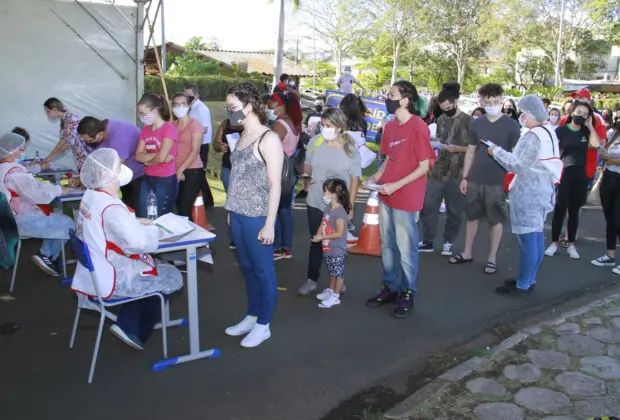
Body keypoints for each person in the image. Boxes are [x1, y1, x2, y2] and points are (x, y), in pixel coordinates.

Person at [71, 148, 183, 350]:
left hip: (93, 270)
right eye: (117, 167)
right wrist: (155, 232)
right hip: (112, 272)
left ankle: (130, 321)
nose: (123, 169)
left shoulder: (92, 195)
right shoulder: (111, 207)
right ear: (106, 175)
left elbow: (108, 226)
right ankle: (131, 327)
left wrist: (135, 222)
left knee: (151, 274)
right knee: (171, 275)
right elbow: (138, 243)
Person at [364, 81, 435, 319]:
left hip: (406, 195)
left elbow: (424, 166)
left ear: (405, 100)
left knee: (406, 248)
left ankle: (407, 292)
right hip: (386, 193)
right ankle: (389, 288)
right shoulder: (391, 126)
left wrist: (396, 184)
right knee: (387, 244)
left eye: (392, 95)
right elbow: (389, 158)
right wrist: (376, 176)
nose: (387, 98)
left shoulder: (418, 126)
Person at [223, 82, 284, 348]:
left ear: (249, 107)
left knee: (263, 271)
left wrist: (269, 224)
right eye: (228, 108)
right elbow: (237, 178)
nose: (229, 112)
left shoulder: (268, 139)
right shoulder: (240, 136)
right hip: (237, 214)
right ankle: (252, 315)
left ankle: (264, 325)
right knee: (248, 270)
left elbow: (275, 184)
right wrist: (230, 208)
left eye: (233, 107)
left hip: (257, 216)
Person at [488, 95, 562, 296]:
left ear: (531, 113)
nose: (522, 117)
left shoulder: (533, 136)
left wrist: (496, 152)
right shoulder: (548, 131)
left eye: (524, 113)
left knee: (529, 238)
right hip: (543, 188)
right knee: (536, 235)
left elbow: (517, 164)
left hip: (529, 190)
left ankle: (523, 283)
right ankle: (529, 278)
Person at [450, 84, 520, 275]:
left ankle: (492, 258)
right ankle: (467, 252)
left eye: (495, 101)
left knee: (495, 219)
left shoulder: (512, 125)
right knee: (471, 216)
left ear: (501, 99)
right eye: (487, 102)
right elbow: (471, 151)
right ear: (481, 100)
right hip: (475, 178)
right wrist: (465, 177)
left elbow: (515, 157)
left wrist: (512, 180)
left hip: (498, 180)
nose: (491, 105)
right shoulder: (477, 123)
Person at [297, 108, 361, 297]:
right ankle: (312, 279)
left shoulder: (350, 150)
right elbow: (307, 164)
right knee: (316, 241)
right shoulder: (316, 142)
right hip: (316, 201)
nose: (324, 129)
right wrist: (306, 177)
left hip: (337, 207)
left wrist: (350, 206)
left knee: (337, 244)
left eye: (328, 126)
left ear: (339, 127)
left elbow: (355, 179)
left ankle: (337, 278)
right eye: (323, 125)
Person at [0, 132, 75, 276]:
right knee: (68, 223)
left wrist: (56, 188)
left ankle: (49, 255)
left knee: (57, 219)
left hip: (8, 219)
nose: (23, 153)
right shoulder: (14, 170)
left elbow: (32, 185)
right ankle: (45, 254)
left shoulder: (3, 168)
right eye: (21, 150)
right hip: (21, 220)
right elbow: (35, 196)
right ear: (11, 151)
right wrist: (60, 190)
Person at [546, 101, 604, 259]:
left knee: (574, 211)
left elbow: (597, 144)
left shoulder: (586, 131)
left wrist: (591, 126)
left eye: (585, 114)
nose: (581, 116)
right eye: (579, 112)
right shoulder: (561, 130)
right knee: (560, 210)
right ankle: (553, 243)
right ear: (572, 112)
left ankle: (571, 244)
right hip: (564, 173)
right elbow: (552, 151)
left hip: (580, 174)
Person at [419, 82, 471, 256]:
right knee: (428, 205)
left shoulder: (469, 121)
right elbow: (439, 140)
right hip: (439, 169)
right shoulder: (440, 120)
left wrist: (458, 149)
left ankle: (449, 241)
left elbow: (474, 148)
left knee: (455, 210)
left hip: (459, 171)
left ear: (455, 102)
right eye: (443, 108)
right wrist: (437, 144)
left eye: (448, 107)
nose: (446, 111)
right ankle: (428, 240)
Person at [77, 117, 143, 210]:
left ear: (99, 134)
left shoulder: (120, 135)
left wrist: (94, 184)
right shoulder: (98, 134)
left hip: (134, 175)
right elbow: (97, 161)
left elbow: (116, 168)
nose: (87, 143)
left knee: (131, 208)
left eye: (89, 141)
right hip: (117, 174)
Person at [267, 92, 302, 260]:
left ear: (281, 107)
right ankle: (285, 247)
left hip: (278, 171)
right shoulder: (292, 123)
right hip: (289, 172)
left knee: (274, 210)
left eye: (271, 106)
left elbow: (270, 147)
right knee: (285, 210)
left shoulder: (279, 124)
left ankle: (275, 246)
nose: (268, 109)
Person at [134, 93, 179, 218]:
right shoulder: (145, 130)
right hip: (148, 177)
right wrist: (158, 156)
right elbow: (138, 156)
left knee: (160, 217)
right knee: (144, 214)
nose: (141, 117)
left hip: (165, 179)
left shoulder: (168, 129)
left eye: (143, 113)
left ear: (155, 110)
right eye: (140, 114)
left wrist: (148, 160)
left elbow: (161, 158)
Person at [311, 178, 350, 308]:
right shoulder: (329, 208)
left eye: (326, 192)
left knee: (338, 273)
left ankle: (336, 296)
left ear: (335, 194)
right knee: (332, 271)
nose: (324, 195)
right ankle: (330, 290)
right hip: (328, 247)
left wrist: (323, 237)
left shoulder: (339, 213)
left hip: (336, 248)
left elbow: (339, 233)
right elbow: (323, 223)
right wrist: (318, 233)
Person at [591, 117, 620, 273]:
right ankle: (610, 256)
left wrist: (613, 160)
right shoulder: (614, 135)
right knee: (610, 219)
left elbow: (613, 159)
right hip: (609, 178)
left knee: (617, 219)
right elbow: (601, 148)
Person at [170, 93, 205, 219]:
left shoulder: (195, 125)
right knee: (177, 205)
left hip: (192, 169)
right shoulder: (172, 125)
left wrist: (181, 169)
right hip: (174, 169)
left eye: (183, 104)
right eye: (176, 104)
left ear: (189, 105)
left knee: (185, 208)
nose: (179, 107)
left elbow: (195, 151)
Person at [213, 117, 244, 250]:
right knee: (232, 202)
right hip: (228, 167)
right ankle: (235, 236)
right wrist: (220, 145)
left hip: (244, 169)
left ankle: (244, 235)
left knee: (243, 202)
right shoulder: (226, 122)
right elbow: (215, 144)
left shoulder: (250, 122)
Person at [184, 85, 214, 207]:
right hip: (192, 144)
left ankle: (206, 200)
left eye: (188, 95)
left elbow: (205, 128)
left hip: (201, 145)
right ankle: (204, 200)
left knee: (198, 173)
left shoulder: (201, 109)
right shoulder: (190, 108)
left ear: (195, 96)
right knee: (196, 173)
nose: (185, 97)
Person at [41, 98, 90, 171]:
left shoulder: (71, 119)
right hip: (80, 157)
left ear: (54, 109)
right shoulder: (65, 119)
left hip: (86, 156)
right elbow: (62, 141)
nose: (47, 114)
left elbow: (65, 146)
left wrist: (47, 159)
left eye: (48, 111)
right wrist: (47, 159)